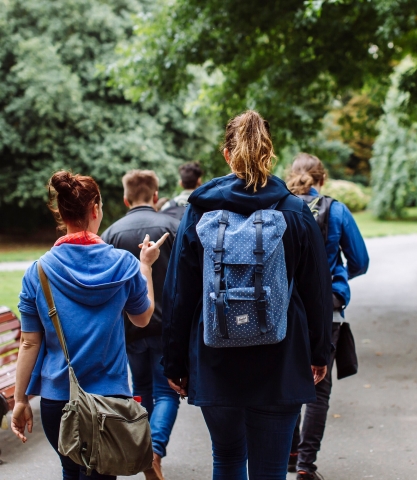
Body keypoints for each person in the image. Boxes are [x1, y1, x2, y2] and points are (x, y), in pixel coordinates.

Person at [161, 110, 333, 480]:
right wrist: (319, 353)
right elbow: (317, 290)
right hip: (281, 359)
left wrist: (174, 362)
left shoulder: (199, 210)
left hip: (214, 359)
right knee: (271, 470)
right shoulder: (295, 212)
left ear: (227, 154)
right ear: (269, 155)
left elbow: (179, 291)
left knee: (226, 458)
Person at [11, 171, 168, 480]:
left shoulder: (38, 272)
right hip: (111, 400)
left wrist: (19, 400)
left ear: (61, 212)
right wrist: (145, 267)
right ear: (95, 209)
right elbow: (143, 317)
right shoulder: (124, 264)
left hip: (60, 399)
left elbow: (29, 343)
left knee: (71, 471)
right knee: (103, 473)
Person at [286, 153, 369, 480]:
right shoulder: (336, 210)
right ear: (322, 180)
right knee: (320, 388)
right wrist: (337, 277)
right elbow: (360, 260)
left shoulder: (280, 208)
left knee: (289, 381)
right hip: (328, 308)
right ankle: (307, 464)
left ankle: (289, 453)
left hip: (288, 310)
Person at [101, 170, 180, 480]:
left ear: (125, 198)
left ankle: (146, 449)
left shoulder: (111, 234)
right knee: (168, 393)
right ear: (156, 196)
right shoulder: (174, 227)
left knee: (141, 390)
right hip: (168, 327)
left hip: (130, 328)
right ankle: (155, 450)